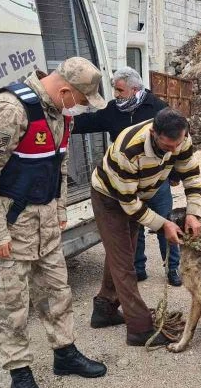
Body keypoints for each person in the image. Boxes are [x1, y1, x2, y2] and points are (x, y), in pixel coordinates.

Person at [0, 57, 108, 388]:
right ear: (66, 91)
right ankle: (19, 375)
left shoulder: (58, 113)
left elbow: (59, 164)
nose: (81, 109)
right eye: (81, 101)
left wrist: (59, 210)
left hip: (42, 224)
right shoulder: (9, 110)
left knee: (57, 291)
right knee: (12, 306)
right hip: (5, 225)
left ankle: (65, 353)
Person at [89, 107, 201, 346]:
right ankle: (139, 329)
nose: (173, 151)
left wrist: (193, 213)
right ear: (153, 133)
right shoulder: (128, 148)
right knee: (124, 262)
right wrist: (164, 225)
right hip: (110, 197)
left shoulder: (181, 137)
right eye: (166, 147)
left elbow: (191, 174)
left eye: (177, 145)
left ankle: (104, 309)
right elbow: (129, 204)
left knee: (122, 252)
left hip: (140, 191)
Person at [72, 66, 183, 287]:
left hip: (157, 179)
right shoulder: (113, 110)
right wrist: (63, 122)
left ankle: (173, 268)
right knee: (136, 223)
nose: (116, 94)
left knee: (164, 223)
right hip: (129, 180)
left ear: (135, 89)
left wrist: (175, 173)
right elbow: (89, 122)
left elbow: (175, 141)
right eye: (115, 89)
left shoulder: (158, 108)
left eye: (120, 90)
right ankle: (138, 268)